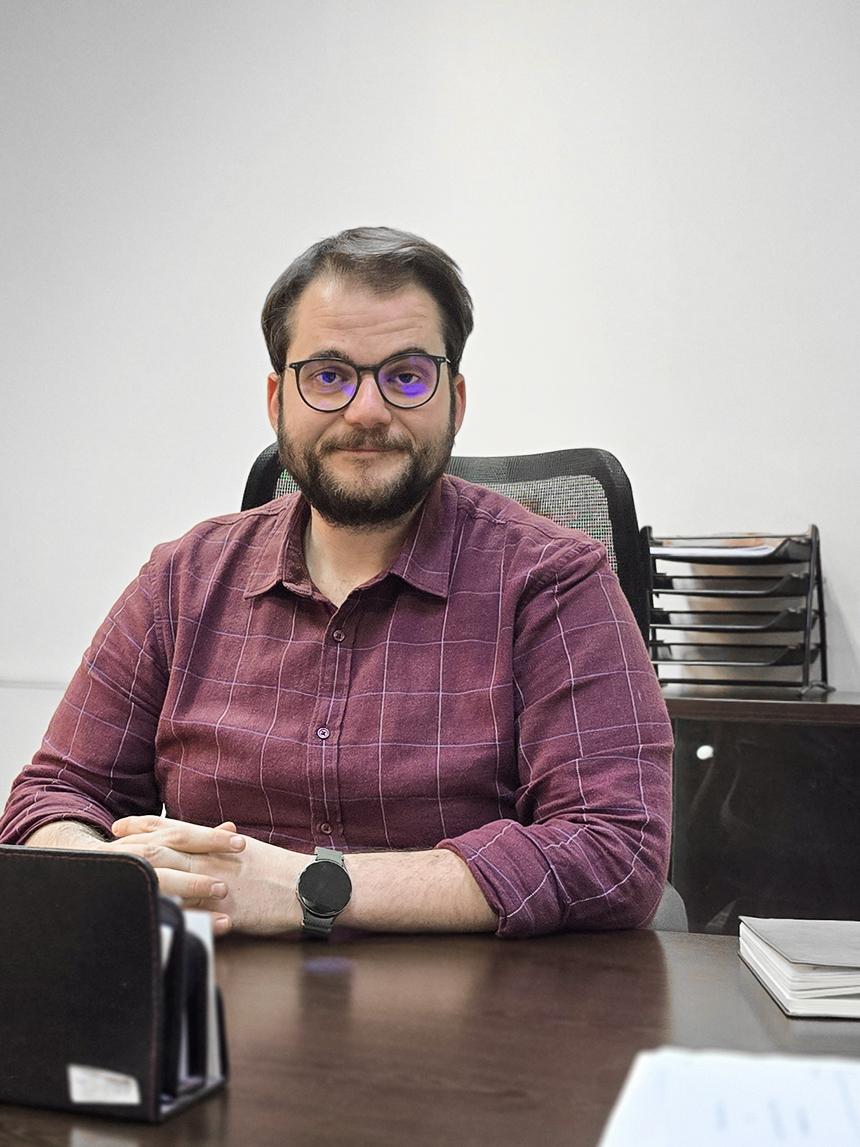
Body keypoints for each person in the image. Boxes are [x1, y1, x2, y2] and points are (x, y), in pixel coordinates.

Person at [0, 227, 673, 939]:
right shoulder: (183, 579)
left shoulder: (555, 582)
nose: (367, 410)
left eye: (406, 375)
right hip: (221, 1016)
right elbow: (52, 797)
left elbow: (616, 850)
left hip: (472, 1028)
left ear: (456, 399)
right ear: (275, 400)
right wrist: (121, 876)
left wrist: (306, 886)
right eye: (328, 375)